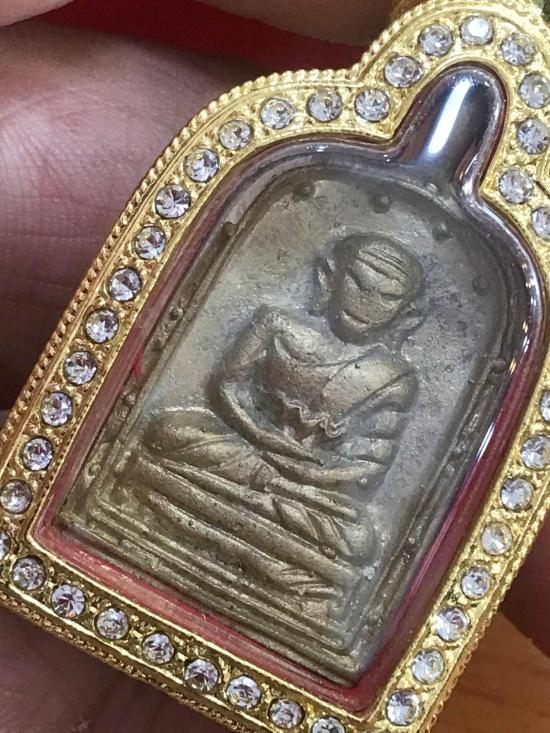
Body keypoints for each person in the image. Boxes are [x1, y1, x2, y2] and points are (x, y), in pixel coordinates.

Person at [0, 2, 548, 731]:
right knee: (170, 432)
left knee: (358, 542)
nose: (366, 305)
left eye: (385, 300)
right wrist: (266, 441)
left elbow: (367, 470)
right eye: (359, 284)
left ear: (406, 317)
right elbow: (226, 390)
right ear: (328, 277)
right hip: (235, 458)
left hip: (305, 496)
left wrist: (305, 466)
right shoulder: (277, 323)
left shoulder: (396, 378)